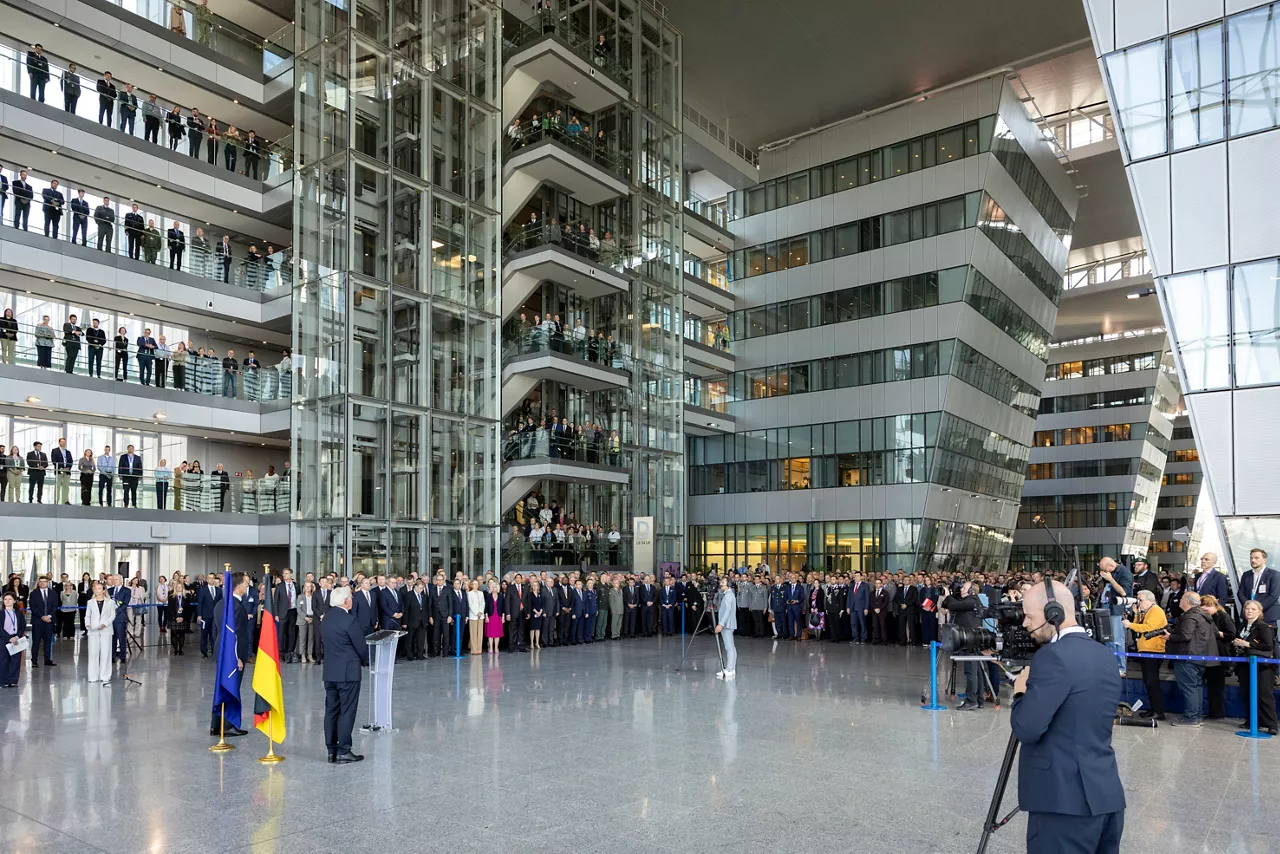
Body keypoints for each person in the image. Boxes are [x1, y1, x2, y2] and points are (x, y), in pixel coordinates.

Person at [1010, 580, 1125, 853]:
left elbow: (1027, 728)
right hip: (1106, 794)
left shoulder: (1053, 656)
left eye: (1029, 615)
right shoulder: (1104, 654)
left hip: (1063, 802)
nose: (1025, 624)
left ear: (1053, 613)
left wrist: (1019, 694)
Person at [320, 586, 368, 763]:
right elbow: (361, 647)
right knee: (347, 711)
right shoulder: (350, 620)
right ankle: (344, 750)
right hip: (348, 672)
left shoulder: (326, 619)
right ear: (346, 601)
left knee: (331, 710)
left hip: (330, 671)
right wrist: (366, 660)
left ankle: (331, 750)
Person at [209, 572, 251, 737]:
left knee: (221, 687)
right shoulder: (236, 606)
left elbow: (217, 630)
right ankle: (228, 725)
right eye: (246, 584)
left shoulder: (221, 603)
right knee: (232, 688)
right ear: (239, 586)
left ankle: (215, 724)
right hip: (232, 654)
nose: (247, 587)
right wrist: (236, 657)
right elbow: (233, 634)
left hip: (221, 651)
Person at [1165, 591, 1215, 727]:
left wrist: (1169, 637)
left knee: (1189, 688)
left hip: (1187, 657)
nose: (1179, 600)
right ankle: (1196, 715)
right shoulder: (1203, 616)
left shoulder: (1190, 617)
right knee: (1196, 687)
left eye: (1181, 598)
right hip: (1200, 656)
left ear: (1187, 601)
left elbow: (1185, 636)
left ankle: (1191, 717)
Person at [1232, 599, 1278, 735]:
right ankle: (1252, 721)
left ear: (1259, 612)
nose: (1249, 611)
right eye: (1247, 609)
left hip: (1263, 667)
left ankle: (1271, 724)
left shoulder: (1263, 627)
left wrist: (1248, 645)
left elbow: (1268, 646)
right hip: (1245, 665)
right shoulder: (1242, 625)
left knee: (1264, 695)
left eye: (1253, 609)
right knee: (1247, 694)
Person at [1121, 589, 1167, 720]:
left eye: (1140, 600)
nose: (1138, 602)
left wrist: (1130, 625)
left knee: (1152, 682)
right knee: (1148, 682)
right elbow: (1140, 624)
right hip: (1146, 649)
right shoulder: (1147, 611)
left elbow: (1148, 627)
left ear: (1150, 600)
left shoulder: (1156, 611)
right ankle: (1154, 709)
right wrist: (1136, 615)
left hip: (1153, 650)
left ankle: (1158, 711)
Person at [1237, 548, 1280, 656]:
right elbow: (1240, 593)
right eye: (1251, 558)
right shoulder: (1246, 575)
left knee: (1271, 643)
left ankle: (1277, 669)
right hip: (1250, 616)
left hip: (1267, 615)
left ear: (1264, 560)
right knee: (1250, 641)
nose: (1253, 560)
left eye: (1256, 558)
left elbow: (1273, 595)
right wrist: (1248, 607)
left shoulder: (1274, 575)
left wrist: (1257, 609)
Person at [1200, 595, 1236, 720]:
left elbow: (1231, 634)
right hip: (1207, 653)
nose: (1204, 609)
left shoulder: (1223, 616)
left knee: (1216, 686)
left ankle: (1217, 712)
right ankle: (1211, 711)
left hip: (1219, 654)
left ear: (1213, 606)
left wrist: (1217, 633)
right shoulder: (1206, 616)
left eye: (1207, 607)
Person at [28, 576, 57, 667]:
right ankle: (34, 660)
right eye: (40, 582)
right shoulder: (34, 593)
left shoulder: (53, 593)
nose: (42, 583)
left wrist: (49, 616)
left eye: (44, 581)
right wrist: (42, 616)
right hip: (37, 621)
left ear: (47, 582)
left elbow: (54, 606)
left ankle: (47, 659)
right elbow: (33, 607)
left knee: (48, 641)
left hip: (49, 621)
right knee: (36, 641)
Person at [713, 575, 738, 679]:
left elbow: (727, 611)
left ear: (728, 584)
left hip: (727, 624)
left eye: (723, 582)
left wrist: (721, 624)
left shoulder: (728, 595)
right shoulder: (728, 594)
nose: (721, 584)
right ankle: (731, 668)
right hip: (728, 624)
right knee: (731, 647)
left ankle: (729, 669)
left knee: (729, 648)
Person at [297, 580, 318, 663]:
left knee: (311, 638)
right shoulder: (300, 597)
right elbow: (299, 609)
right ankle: (302, 655)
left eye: (310, 586)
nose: (308, 588)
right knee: (302, 638)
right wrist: (305, 617)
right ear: (304, 588)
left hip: (312, 618)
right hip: (303, 619)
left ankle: (310, 655)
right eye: (306, 586)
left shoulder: (314, 596)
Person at [118, 444, 142, 508]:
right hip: (126, 476)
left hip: (134, 476)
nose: (131, 449)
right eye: (129, 448)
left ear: (133, 449)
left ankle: (134, 504)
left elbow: (140, 467)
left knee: (134, 490)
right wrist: (120, 474)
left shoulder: (138, 457)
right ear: (127, 449)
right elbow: (120, 466)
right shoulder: (123, 457)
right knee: (126, 490)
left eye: (132, 448)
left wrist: (140, 476)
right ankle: (126, 504)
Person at [50, 438, 73, 505]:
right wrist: (61, 468)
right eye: (62, 442)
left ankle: (66, 500)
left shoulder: (68, 452)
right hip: (59, 471)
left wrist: (68, 468)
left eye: (64, 442)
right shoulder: (55, 451)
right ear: (59, 442)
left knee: (66, 486)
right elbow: (54, 460)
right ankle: (56, 500)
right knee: (57, 486)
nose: (63, 443)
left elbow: (71, 461)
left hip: (67, 472)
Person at [467, 579, 485, 654]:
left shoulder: (481, 593)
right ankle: (474, 650)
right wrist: (476, 613)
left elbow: (483, 603)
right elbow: (470, 604)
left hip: (481, 616)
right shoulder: (469, 593)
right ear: (471, 585)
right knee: (473, 633)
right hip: (473, 615)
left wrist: (481, 612)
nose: (475, 585)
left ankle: (479, 650)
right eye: (474, 584)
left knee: (480, 633)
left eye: (477, 584)